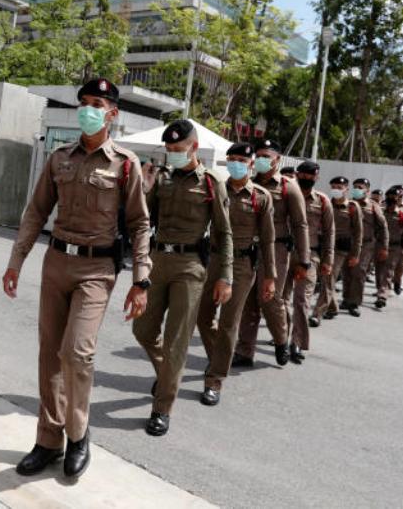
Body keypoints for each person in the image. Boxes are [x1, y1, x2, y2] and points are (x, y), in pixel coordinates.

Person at [4, 78, 151, 478]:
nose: (88, 109)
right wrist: (16, 261)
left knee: (76, 353)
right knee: (49, 354)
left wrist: (141, 279)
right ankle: (48, 441)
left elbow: (139, 224)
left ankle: (79, 434)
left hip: (97, 269)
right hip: (57, 263)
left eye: (97, 103)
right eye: (83, 102)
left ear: (112, 113)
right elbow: (36, 212)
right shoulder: (59, 158)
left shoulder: (125, 163)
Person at [131, 120, 232, 434]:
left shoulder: (212, 182)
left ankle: (162, 407)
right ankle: (167, 376)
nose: (173, 154)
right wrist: (144, 189)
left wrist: (225, 275)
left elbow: (224, 232)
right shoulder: (162, 179)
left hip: (190, 266)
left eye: (178, 149)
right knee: (143, 329)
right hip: (158, 260)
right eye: (169, 149)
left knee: (177, 342)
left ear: (194, 148)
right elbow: (142, 218)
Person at [196, 143, 274, 405]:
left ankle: (215, 378)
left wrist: (269, 276)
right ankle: (219, 356)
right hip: (213, 259)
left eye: (242, 159)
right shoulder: (216, 188)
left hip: (242, 265)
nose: (236, 163)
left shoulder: (261, 197)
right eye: (232, 159)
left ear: (251, 164)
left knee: (229, 322)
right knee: (203, 316)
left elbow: (267, 240)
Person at [235, 139, 309, 369]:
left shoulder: (288, 186)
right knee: (247, 300)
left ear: (277, 159)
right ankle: (245, 351)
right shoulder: (248, 181)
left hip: (276, 248)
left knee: (270, 298)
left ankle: (280, 341)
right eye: (259, 156)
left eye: (267, 156)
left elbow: (300, 224)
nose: (262, 160)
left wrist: (304, 260)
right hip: (249, 248)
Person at [283, 160, 333, 364]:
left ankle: (296, 342)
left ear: (316, 177)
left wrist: (327, 260)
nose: (307, 178)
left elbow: (329, 232)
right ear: (297, 174)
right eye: (303, 174)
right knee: (281, 299)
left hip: (310, 255)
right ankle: (281, 337)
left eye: (311, 176)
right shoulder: (286, 194)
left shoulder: (322, 201)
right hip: (284, 252)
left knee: (302, 300)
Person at [312, 177, 362, 325]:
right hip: (324, 245)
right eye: (333, 186)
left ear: (346, 189)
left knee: (328, 278)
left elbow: (358, 232)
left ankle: (317, 314)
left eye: (340, 187)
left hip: (340, 249)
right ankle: (333, 307)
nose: (336, 189)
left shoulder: (353, 207)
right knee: (327, 279)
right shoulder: (326, 203)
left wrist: (356, 254)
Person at [344, 178, 387, 316]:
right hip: (348, 243)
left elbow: (383, 226)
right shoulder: (348, 203)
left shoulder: (373, 206)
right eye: (355, 187)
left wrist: (384, 246)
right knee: (347, 272)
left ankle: (355, 302)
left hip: (366, 244)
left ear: (367, 190)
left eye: (360, 187)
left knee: (359, 272)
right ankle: (346, 298)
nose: (357, 189)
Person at [376, 187, 403, 307]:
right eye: (389, 197)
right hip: (380, 245)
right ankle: (381, 290)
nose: (391, 199)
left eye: (394, 197)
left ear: (398, 199)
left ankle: (382, 295)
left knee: (388, 271)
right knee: (379, 270)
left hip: (395, 247)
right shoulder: (380, 212)